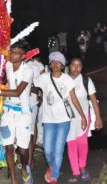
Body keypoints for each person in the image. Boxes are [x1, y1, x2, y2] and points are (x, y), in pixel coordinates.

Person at [0, 41, 33, 184]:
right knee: (8, 147)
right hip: (9, 111)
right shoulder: (8, 65)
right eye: (12, 51)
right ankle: (13, 179)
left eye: (16, 52)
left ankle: (24, 167)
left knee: (23, 150)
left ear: (23, 56)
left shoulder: (28, 70)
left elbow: (18, 92)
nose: (12, 54)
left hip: (24, 114)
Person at [40, 52, 87, 183]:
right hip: (48, 120)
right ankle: (52, 166)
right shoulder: (43, 78)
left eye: (59, 62)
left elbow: (74, 98)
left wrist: (83, 116)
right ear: (50, 64)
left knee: (59, 149)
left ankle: (54, 176)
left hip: (64, 120)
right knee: (48, 150)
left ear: (62, 65)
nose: (56, 64)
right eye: (53, 62)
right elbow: (31, 86)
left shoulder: (67, 79)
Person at [66, 58, 103, 182]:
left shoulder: (86, 81)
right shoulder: (64, 80)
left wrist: (98, 118)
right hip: (68, 118)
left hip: (83, 117)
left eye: (79, 66)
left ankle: (82, 167)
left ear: (82, 67)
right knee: (71, 143)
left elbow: (93, 99)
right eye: (73, 65)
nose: (76, 68)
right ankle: (75, 172)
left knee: (82, 143)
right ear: (68, 66)